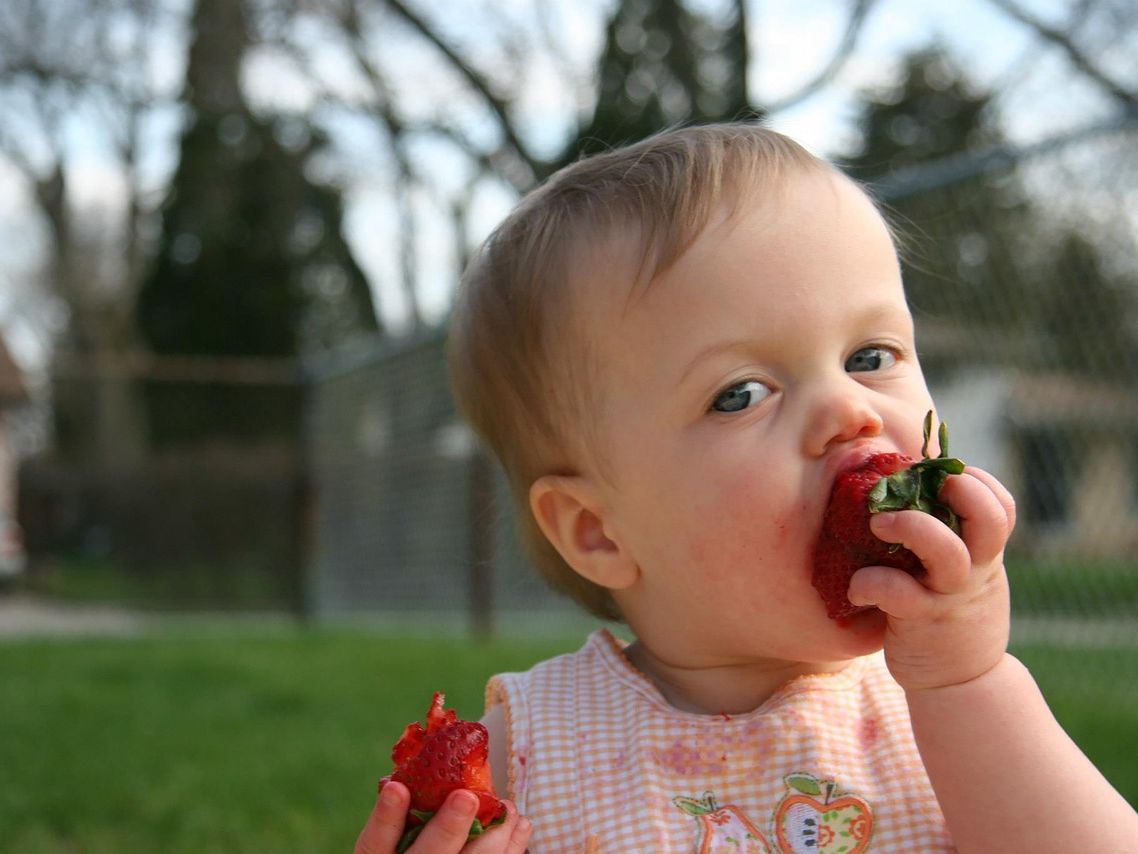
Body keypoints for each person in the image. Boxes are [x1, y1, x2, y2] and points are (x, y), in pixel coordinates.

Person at [357, 123, 1138, 853]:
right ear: (599, 530)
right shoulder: (527, 752)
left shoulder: (943, 710)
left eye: (870, 355)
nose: (849, 409)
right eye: (740, 394)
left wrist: (971, 682)